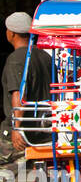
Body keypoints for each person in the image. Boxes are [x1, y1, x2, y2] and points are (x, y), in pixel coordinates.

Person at [2, 12, 52, 164]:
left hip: (23, 133)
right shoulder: (45, 57)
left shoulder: (15, 59)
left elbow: (18, 94)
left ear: (12, 34)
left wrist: (17, 128)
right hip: (43, 130)